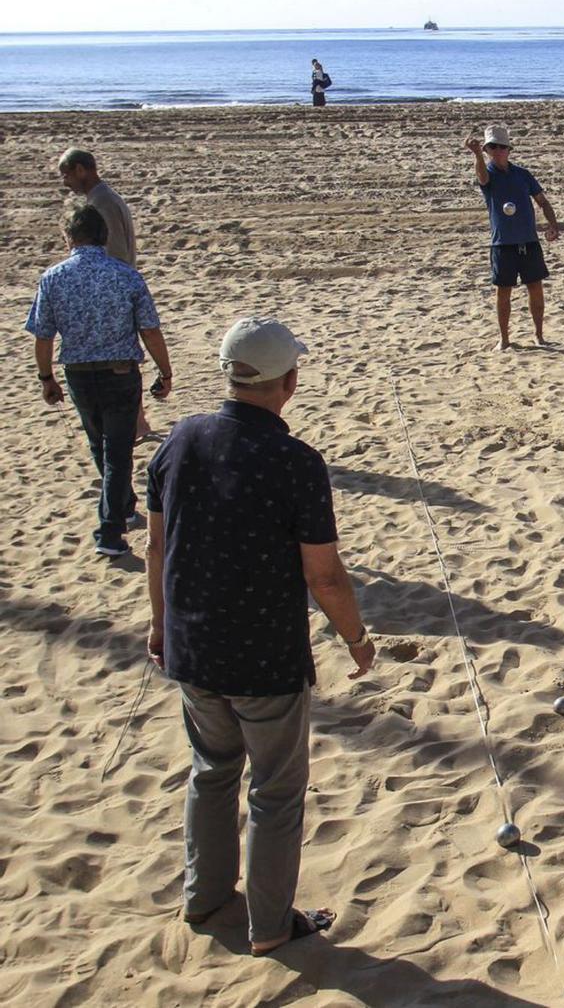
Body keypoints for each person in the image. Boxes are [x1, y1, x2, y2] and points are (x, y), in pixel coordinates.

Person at [145, 317, 377, 955]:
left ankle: (205, 895)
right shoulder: (295, 461)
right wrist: (356, 638)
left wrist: (160, 625)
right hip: (264, 657)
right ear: (289, 383)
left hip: (192, 644)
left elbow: (157, 548)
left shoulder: (179, 440)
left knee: (211, 771)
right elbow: (325, 575)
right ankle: (271, 928)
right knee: (275, 792)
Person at [25, 204, 172, 557]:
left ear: (68, 238)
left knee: (99, 445)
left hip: (77, 373)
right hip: (119, 372)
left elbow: (43, 336)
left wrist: (46, 377)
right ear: (103, 235)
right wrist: (165, 371)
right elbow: (150, 330)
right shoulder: (125, 275)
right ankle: (109, 531)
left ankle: (121, 508)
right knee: (117, 453)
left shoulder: (53, 277)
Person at [58, 146, 155, 441]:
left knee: (123, 361)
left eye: (66, 174)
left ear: (81, 169)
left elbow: (116, 252)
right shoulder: (103, 198)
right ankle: (138, 423)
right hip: (118, 287)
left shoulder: (101, 203)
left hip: (114, 290)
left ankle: (138, 425)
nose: (65, 182)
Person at [465, 125, 561, 350]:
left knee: (535, 288)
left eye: (501, 146)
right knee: (503, 292)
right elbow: (481, 176)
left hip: (528, 241)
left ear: (508, 149)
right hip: (502, 244)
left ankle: (539, 335)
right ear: (487, 150)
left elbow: (542, 201)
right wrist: (477, 154)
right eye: (492, 147)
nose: (497, 150)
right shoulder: (487, 174)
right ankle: (505, 340)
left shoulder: (522, 175)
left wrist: (552, 224)